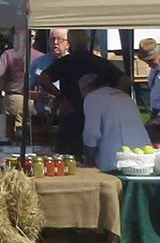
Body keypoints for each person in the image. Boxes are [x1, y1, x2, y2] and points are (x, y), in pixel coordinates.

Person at [37, 29, 120, 158]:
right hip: (99, 116)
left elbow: (43, 79)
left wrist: (61, 97)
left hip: (72, 115)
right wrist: (110, 98)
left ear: (70, 42)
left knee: (67, 158)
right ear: (87, 41)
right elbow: (125, 81)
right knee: (97, 157)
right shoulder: (101, 63)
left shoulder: (65, 62)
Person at [80, 71, 148, 172]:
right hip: (144, 154)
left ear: (88, 87)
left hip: (117, 157)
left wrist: (88, 155)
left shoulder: (92, 97)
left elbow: (92, 132)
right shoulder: (124, 96)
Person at [0, 35, 43, 136]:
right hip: (37, 101)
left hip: (14, 99)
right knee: (34, 135)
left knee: (13, 135)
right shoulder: (41, 56)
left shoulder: (8, 54)